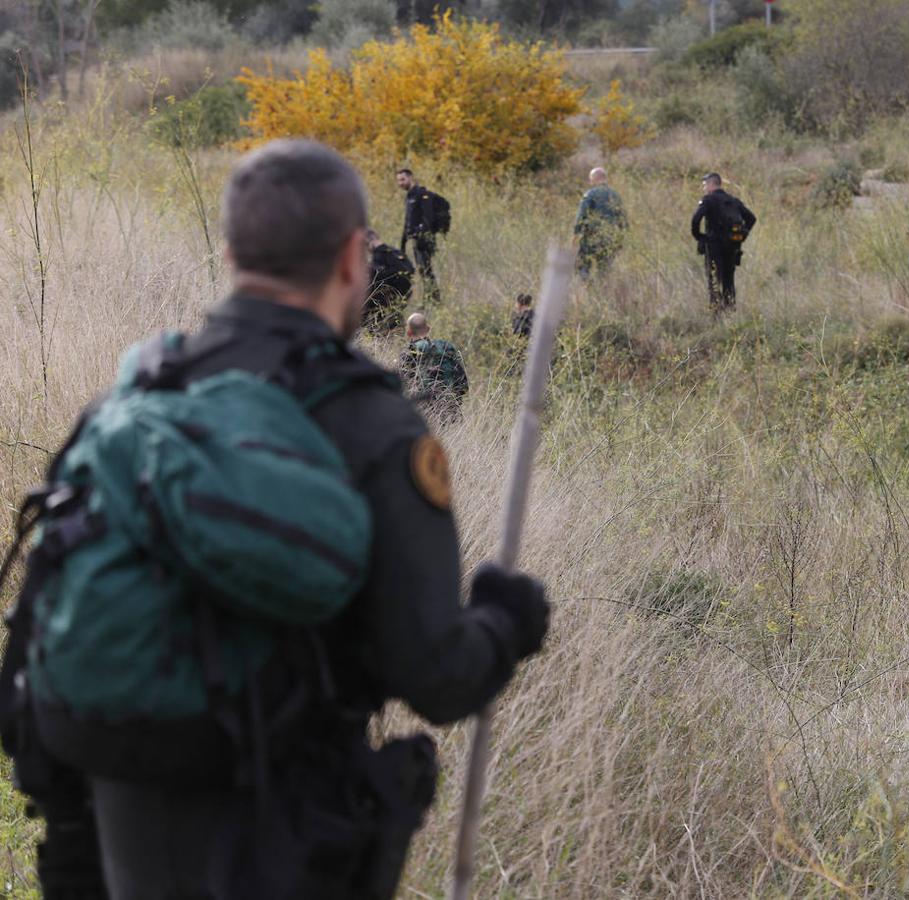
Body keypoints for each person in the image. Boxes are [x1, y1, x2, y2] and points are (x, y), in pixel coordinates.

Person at [0, 139, 549, 899]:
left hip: (114, 826)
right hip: (280, 834)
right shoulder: (374, 426)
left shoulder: (139, 393)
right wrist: (506, 621)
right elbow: (435, 675)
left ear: (230, 253)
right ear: (355, 258)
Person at [690, 173, 756, 311]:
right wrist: (743, 236)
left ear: (711, 184)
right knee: (728, 282)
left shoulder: (708, 200)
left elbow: (696, 220)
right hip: (732, 248)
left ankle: (716, 315)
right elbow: (751, 218)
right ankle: (730, 313)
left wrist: (700, 237)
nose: (704, 188)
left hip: (713, 247)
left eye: (704, 185)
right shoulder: (733, 201)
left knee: (714, 282)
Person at [400, 312, 470, 417]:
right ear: (428, 329)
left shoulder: (409, 352)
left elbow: (401, 389)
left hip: (423, 414)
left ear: (409, 332)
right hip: (451, 412)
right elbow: (463, 385)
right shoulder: (447, 348)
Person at [396, 167, 447, 302]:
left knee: (426, 270)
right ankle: (430, 298)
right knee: (422, 270)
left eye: (402, 179)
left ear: (411, 177)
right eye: (398, 180)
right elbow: (408, 221)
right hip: (415, 240)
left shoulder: (422, 195)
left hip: (424, 240)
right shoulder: (409, 197)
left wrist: (420, 235)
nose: (400, 183)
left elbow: (428, 219)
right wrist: (403, 243)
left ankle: (435, 300)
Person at [573, 167, 629, 279]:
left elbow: (581, 216)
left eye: (590, 179)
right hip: (610, 238)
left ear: (594, 179)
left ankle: (587, 290)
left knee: (582, 266)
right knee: (604, 270)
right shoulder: (615, 195)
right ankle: (603, 292)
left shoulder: (590, 194)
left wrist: (576, 235)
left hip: (592, 238)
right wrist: (622, 239)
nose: (590, 182)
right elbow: (623, 219)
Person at [364, 228, 415, 331]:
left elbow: (374, 283)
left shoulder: (378, 256)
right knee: (395, 316)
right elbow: (412, 270)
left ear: (369, 243)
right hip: (405, 294)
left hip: (388, 297)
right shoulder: (395, 252)